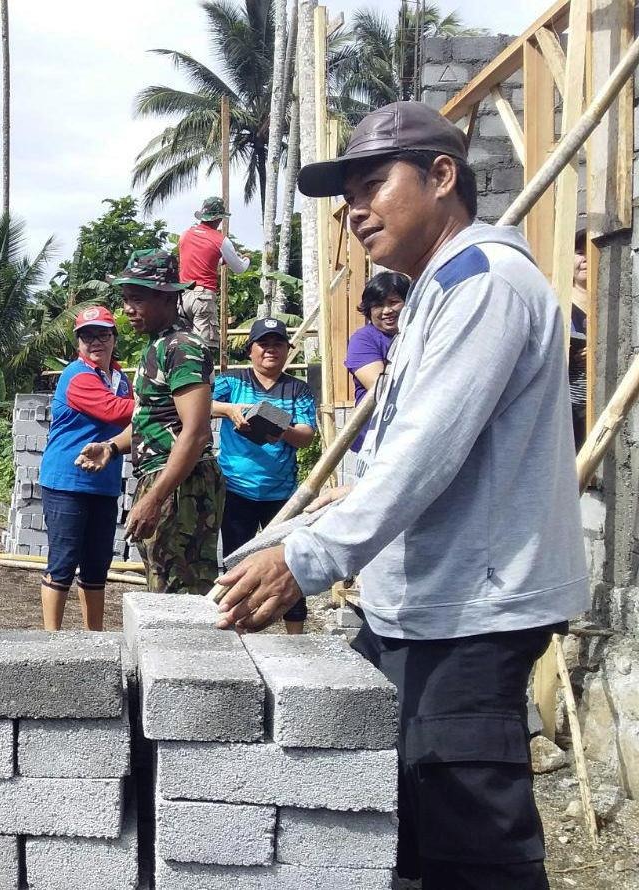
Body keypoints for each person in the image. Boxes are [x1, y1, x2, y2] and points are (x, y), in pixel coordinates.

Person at [218, 101, 588, 890]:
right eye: (347, 195)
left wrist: (308, 556)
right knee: (400, 836)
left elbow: (427, 454)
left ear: (443, 175)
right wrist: (332, 505)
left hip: (469, 620)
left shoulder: (487, 283)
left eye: (373, 185)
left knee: (473, 850)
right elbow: (396, 446)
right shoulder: (432, 291)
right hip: (416, 613)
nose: (356, 212)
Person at [76, 249, 221, 595]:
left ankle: (187, 652)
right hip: (166, 478)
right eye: (126, 299)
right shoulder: (157, 346)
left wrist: (156, 498)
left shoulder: (182, 348)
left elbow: (196, 433)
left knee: (180, 595)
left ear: (168, 297)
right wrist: (112, 446)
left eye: (137, 298)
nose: (128, 309)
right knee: (162, 582)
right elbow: (151, 420)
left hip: (181, 484)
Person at [213, 317, 317, 634]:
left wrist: (275, 423)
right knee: (236, 566)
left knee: (290, 565)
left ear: (287, 350)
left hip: (281, 495)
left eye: (277, 343)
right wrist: (231, 410)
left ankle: (295, 639)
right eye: (263, 343)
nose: (270, 349)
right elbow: (200, 403)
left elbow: (306, 435)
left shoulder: (297, 389)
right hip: (237, 491)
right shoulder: (232, 381)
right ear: (251, 350)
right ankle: (235, 632)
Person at [38, 306, 134, 631]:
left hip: (104, 483)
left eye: (103, 334)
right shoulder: (77, 376)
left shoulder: (121, 380)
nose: (95, 341)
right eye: (87, 335)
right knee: (63, 564)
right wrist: (168, 404)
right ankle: (52, 643)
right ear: (78, 342)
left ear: (114, 338)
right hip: (67, 482)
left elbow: (132, 430)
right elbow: (116, 412)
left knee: (96, 567)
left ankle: (94, 640)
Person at [344, 271, 409, 452]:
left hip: (410, 436)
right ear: (368, 310)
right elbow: (383, 389)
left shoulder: (415, 334)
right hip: (374, 442)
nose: (387, 311)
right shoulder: (363, 339)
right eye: (378, 305)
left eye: (394, 302)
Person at [176, 196, 251, 345]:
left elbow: (200, 260)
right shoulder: (220, 240)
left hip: (183, 296)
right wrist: (247, 259)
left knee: (182, 344)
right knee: (202, 346)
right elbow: (239, 268)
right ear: (219, 219)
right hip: (203, 296)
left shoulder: (185, 235)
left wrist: (221, 261)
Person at [569, 229, 589, 449]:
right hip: (571, 406)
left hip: (600, 402)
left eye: (587, 252)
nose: (584, 259)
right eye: (578, 252)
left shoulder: (606, 299)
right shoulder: (561, 300)